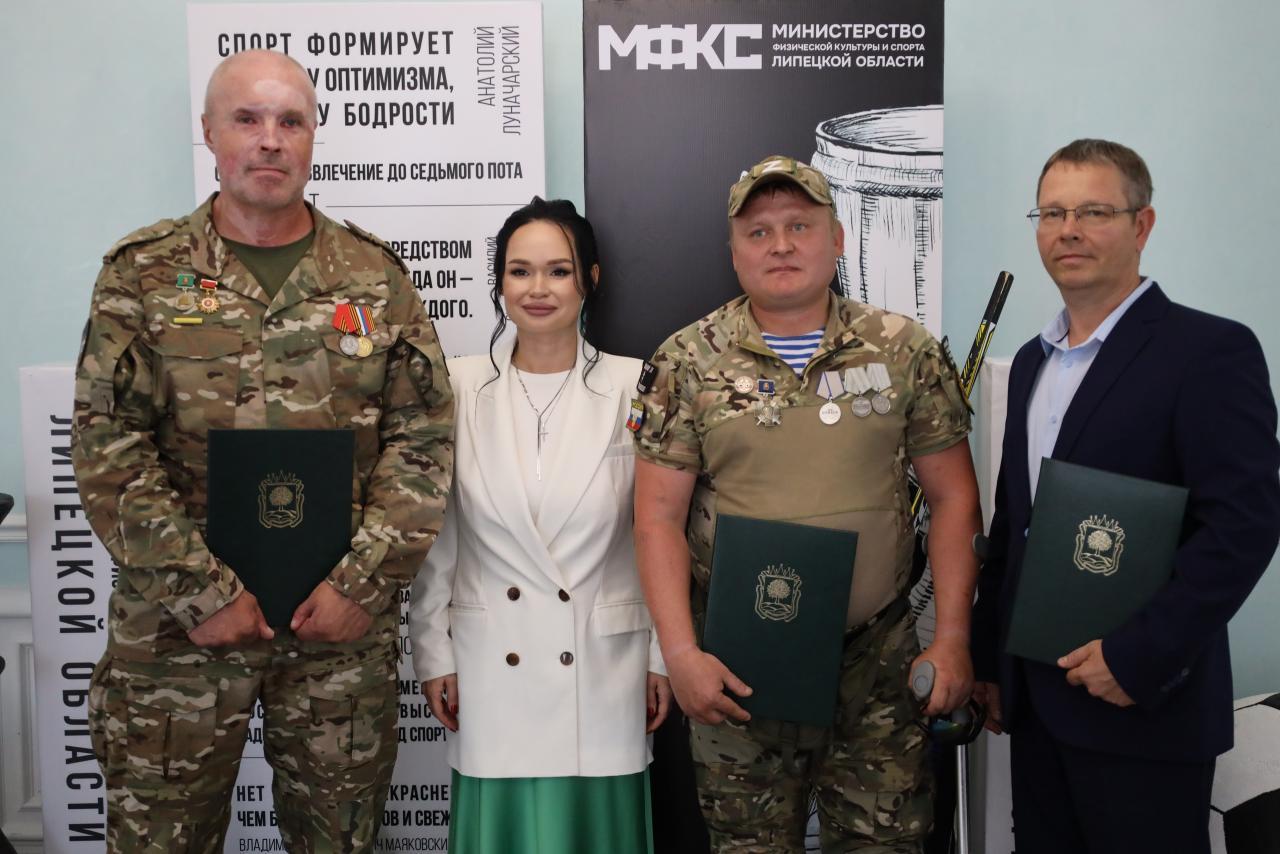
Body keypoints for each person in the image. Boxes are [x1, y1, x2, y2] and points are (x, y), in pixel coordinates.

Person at [70, 50, 454, 852]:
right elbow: (110, 447)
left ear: (313, 137)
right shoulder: (143, 274)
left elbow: (420, 441)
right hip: (177, 634)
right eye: (247, 118)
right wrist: (200, 593)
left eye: (291, 121)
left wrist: (360, 583)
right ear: (209, 132)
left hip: (335, 630)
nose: (270, 139)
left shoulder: (374, 278)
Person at [631, 155, 983, 852]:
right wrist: (681, 653)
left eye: (800, 225)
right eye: (758, 232)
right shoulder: (686, 360)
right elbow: (656, 518)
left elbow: (953, 500)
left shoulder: (903, 349)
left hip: (878, 667)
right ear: (734, 251)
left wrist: (951, 639)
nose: (781, 245)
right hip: (739, 671)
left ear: (838, 239)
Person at [970, 138, 1280, 853]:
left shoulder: (1209, 352)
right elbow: (1015, 525)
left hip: (1144, 706)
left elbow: (1244, 525)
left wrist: (1138, 657)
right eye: (1052, 213)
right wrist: (990, 659)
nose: (1068, 230)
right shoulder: (1030, 364)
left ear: (1142, 225)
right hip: (1036, 707)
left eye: (1093, 211)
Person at [408, 198, 671, 854]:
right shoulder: (458, 387)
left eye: (559, 270)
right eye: (520, 271)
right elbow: (438, 538)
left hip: (605, 668)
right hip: (491, 667)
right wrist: (433, 652)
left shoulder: (636, 385)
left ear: (590, 279)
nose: (538, 288)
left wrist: (664, 657)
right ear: (498, 282)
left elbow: (662, 535)